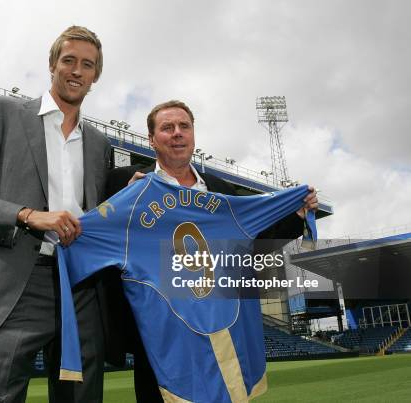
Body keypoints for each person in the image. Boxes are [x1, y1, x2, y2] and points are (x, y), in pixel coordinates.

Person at [101, 100, 318, 402]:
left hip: (218, 321)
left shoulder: (220, 189)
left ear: (193, 135)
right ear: (152, 139)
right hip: (159, 330)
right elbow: (99, 232)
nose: (177, 133)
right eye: (167, 127)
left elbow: (253, 243)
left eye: (184, 126)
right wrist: (126, 201)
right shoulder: (126, 183)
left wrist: (296, 216)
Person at [0, 26, 111, 403]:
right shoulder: (3, 112)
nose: (77, 71)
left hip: (81, 287)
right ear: (52, 65)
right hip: (20, 282)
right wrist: (28, 215)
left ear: (95, 77)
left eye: (87, 65)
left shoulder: (100, 144)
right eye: (69, 60)